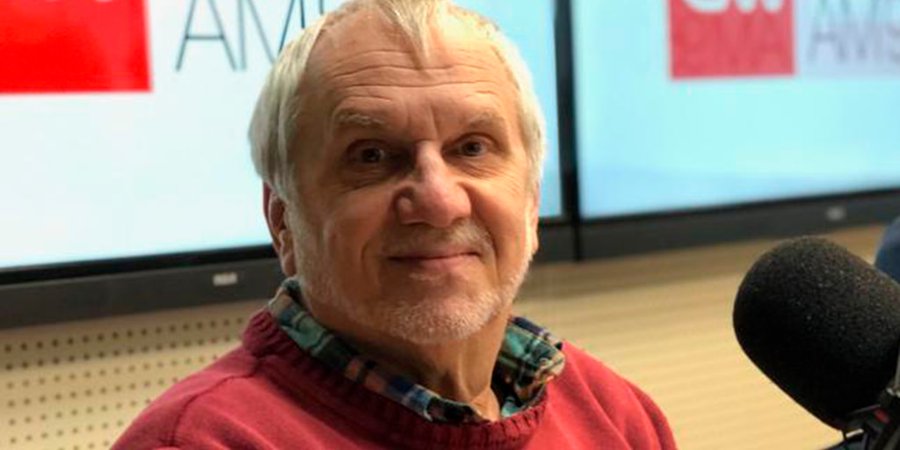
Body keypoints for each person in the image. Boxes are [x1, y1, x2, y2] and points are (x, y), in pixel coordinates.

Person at [113, 0, 677, 448]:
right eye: (372, 156)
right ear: (282, 220)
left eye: (472, 148)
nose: (438, 201)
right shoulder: (201, 441)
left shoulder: (616, 416)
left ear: (530, 203)